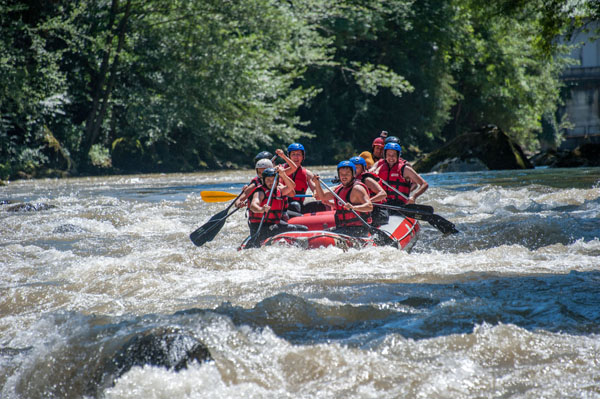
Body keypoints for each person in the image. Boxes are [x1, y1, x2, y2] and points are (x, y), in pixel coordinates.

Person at [311, 160, 373, 237]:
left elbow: (369, 206)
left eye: (347, 174)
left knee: (327, 236)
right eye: (341, 174)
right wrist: (317, 183)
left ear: (353, 174)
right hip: (344, 228)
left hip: (359, 229)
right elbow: (322, 196)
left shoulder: (357, 189)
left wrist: (354, 207)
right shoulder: (339, 189)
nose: (344, 177)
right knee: (321, 234)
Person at [246, 166, 307, 242]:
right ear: (263, 181)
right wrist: (261, 209)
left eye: (273, 180)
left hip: (273, 224)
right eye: (268, 180)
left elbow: (292, 186)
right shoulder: (260, 192)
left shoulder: (279, 191)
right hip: (261, 227)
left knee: (303, 229)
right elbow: (253, 206)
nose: (271, 182)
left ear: (277, 181)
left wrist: (283, 175)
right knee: (292, 228)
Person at [284, 143, 327, 214]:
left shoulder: (307, 174)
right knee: (294, 205)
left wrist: (317, 186)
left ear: (302, 156)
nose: (296, 157)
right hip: (283, 206)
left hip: (299, 205)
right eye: (293, 154)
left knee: (321, 205)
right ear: (289, 157)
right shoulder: (281, 170)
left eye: (298, 154)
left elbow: (315, 191)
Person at [349, 156, 389, 226]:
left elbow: (383, 194)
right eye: (352, 168)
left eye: (357, 167)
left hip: (377, 211)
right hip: (364, 210)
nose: (354, 170)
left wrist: (368, 201)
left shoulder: (367, 180)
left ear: (363, 169)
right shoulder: (348, 181)